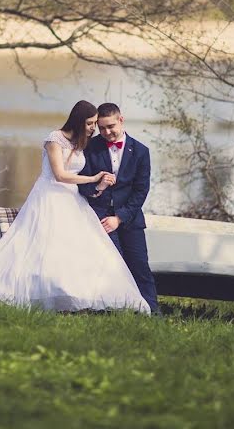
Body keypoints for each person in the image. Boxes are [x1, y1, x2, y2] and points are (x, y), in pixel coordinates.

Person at [0, 100, 150, 314]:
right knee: (45, 246)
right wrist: (93, 178)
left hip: (74, 199)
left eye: (97, 124)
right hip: (50, 196)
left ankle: (86, 295)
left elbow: (140, 189)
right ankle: (46, 293)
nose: (95, 129)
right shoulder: (54, 139)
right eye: (91, 124)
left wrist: (99, 187)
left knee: (77, 248)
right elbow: (59, 175)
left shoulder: (85, 142)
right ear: (78, 121)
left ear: (121, 120)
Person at [78, 103, 159, 314]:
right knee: (112, 267)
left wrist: (119, 218)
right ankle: (113, 311)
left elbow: (141, 191)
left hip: (130, 219)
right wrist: (98, 186)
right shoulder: (90, 147)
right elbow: (82, 186)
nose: (106, 132)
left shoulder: (141, 152)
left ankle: (152, 313)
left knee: (140, 267)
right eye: (101, 128)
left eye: (110, 126)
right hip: (98, 218)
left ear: (121, 120)